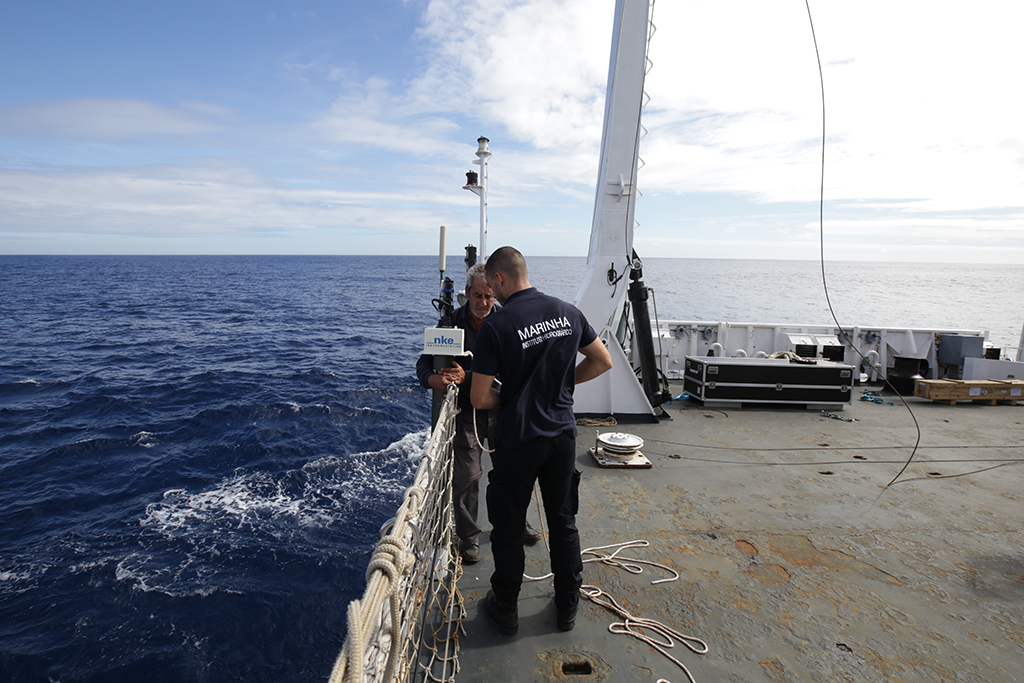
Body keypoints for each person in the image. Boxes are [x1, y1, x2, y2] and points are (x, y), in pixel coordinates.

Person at [470, 246, 613, 635]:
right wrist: (566, 383)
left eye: (491, 286)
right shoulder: (567, 311)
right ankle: (568, 606)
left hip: (518, 441)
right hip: (562, 437)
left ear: (499, 278)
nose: (490, 294)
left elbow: (480, 397)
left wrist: (513, 396)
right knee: (563, 521)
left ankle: (506, 607)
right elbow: (603, 361)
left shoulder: (497, 328)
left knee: (509, 526)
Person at [416, 263, 541, 564]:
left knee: (511, 471)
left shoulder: (510, 322)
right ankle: (469, 537)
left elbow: (516, 370)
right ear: (466, 294)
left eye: (489, 296)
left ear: (495, 294)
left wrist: (466, 376)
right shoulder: (449, 324)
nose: (484, 303)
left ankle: (516, 522)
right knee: (467, 476)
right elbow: (424, 364)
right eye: (477, 296)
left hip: (501, 410)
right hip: (465, 413)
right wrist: (433, 380)